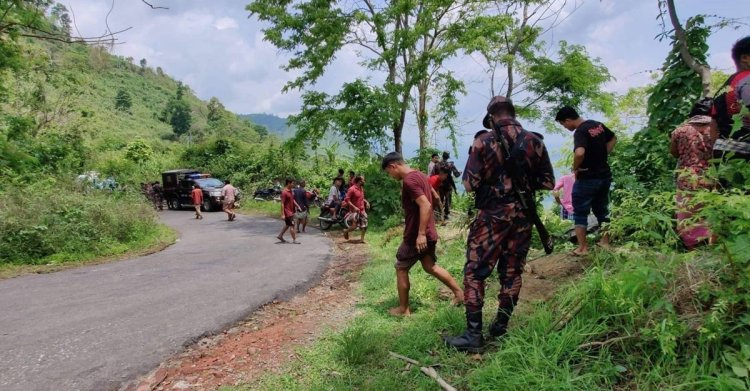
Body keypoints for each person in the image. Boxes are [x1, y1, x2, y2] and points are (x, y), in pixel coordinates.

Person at [444, 96, 554, 353]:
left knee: (474, 272)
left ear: (492, 116)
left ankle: (473, 336)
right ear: (513, 113)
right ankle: (500, 327)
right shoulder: (535, 141)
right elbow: (548, 182)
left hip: (491, 218)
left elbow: (469, 183)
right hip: (523, 218)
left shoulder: (483, 140)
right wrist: (521, 186)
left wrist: (496, 185)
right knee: (512, 272)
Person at [381, 152, 464, 317]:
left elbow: (425, 205)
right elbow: (433, 195)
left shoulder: (409, 180)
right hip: (430, 232)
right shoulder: (419, 174)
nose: (390, 176)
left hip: (416, 236)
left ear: (393, 166)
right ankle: (460, 294)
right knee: (430, 266)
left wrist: (420, 234)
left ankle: (403, 310)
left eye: (388, 173)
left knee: (401, 267)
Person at [555, 106, 617, 256]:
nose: (565, 127)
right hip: (604, 175)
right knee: (602, 210)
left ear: (568, 120)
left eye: (564, 124)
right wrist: (602, 156)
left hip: (587, 178)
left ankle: (582, 248)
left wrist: (576, 167)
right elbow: (613, 138)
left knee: (580, 213)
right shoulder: (597, 124)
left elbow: (579, 153)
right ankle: (605, 242)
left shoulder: (581, 131)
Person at [671, 101, 717, 249]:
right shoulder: (716, 128)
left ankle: (692, 249)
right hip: (712, 174)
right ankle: (713, 245)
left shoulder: (680, 130)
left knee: (687, 212)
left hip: (687, 175)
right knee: (712, 210)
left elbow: (674, 152)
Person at [711, 36, 750, 161]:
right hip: (745, 153)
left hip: (723, 155)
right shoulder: (747, 80)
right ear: (745, 58)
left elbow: (713, 125)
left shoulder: (725, 88)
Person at [342, 175, 369, 243]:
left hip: (362, 210)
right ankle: (346, 231)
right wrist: (354, 207)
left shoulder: (361, 188)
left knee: (364, 225)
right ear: (359, 181)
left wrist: (367, 202)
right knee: (354, 226)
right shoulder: (352, 189)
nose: (364, 181)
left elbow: (362, 198)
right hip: (354, 211)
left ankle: (362, 240)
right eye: (363, 180)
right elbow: (347, 200)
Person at [436, 151, 461, 221]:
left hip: (439, 184)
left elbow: (434, 174)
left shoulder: (438, 164)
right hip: (448, 185)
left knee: (439, 199)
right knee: (448, 200)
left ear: (442, 156)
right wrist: (460, 172)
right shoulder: (451, 165)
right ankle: (446, 215)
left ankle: (439, 214)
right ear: (448, 157)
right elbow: (457, 174)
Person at [277, 178, 300, 244]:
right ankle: (295, 240)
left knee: (287, 224)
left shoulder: (291, 191)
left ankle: (280, 236)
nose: (293, 184)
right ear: (288, 183)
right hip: (288, 212)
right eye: (292, 183)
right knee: (292, 225)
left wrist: (297, 206)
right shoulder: (284, 192)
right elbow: (282, 203)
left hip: (291, 211)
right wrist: (282, 214)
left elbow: (293, 200)